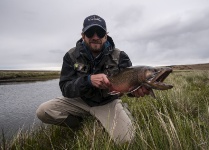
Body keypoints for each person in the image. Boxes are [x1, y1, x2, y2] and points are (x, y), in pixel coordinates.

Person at [36, 15, 149, 144]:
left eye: (100, 33)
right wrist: (87, 80)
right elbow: (65, 88)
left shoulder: (120, 56)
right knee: (43, 111)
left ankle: (120, 111)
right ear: (83, 35)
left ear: (106, 36)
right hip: (79, 101)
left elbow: (129, 86)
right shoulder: (70, 56)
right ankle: (80, 124)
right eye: (90, 33)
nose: (95, 37)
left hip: (108, 102)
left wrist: (135, 92)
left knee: (126, 141)